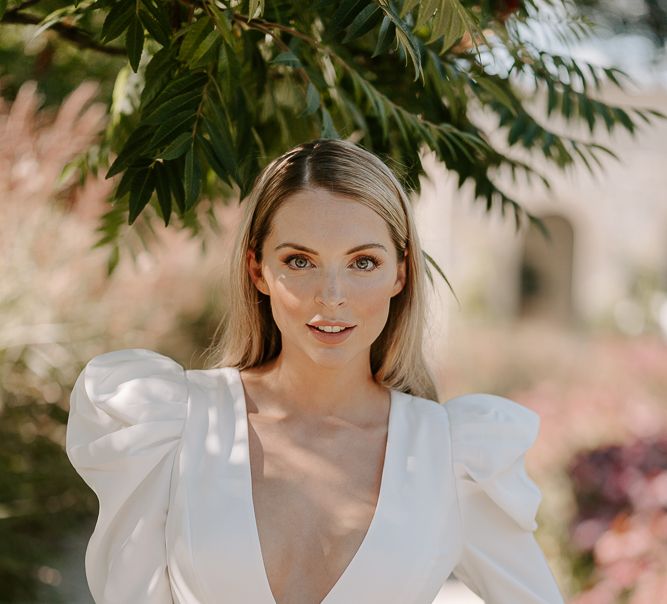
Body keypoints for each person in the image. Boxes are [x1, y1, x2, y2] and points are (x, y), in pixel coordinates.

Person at [66, 138, 565, 604]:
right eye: (300, 261)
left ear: (401, 272)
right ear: (257, 269)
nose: (331, 295)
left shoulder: (454, 456)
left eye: (363, 262)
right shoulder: (173, 425)